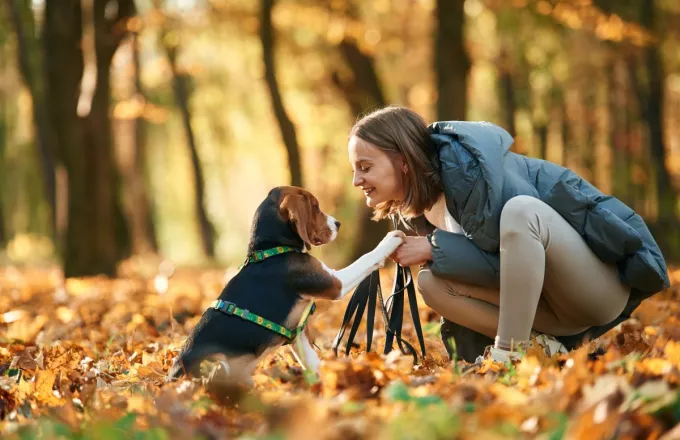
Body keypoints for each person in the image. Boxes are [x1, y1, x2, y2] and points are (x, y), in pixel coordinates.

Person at [347, 106, 670, 363]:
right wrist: (434, 249)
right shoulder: (418, 209)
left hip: (593, 292)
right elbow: (499, 273)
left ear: (402, 162)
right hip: (548, 311)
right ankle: (541, 349)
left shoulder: (473, 177)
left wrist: (434, 248)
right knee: (431, 283)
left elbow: (518, 258)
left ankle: (508, 353)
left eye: (365, 167)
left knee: (521, 211)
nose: (356, 181)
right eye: (355, 170)